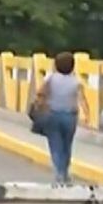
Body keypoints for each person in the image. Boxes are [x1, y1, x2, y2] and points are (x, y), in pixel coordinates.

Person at [35, 52, 91, 183]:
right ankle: (65, 172)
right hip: (70, 116)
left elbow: (40, 92)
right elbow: (82, 99)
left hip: (53, 115)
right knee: (67, 145)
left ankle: (59, 172)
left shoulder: (51, 78)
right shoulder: (76, 81)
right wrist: (87, 115)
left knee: (55, 145)